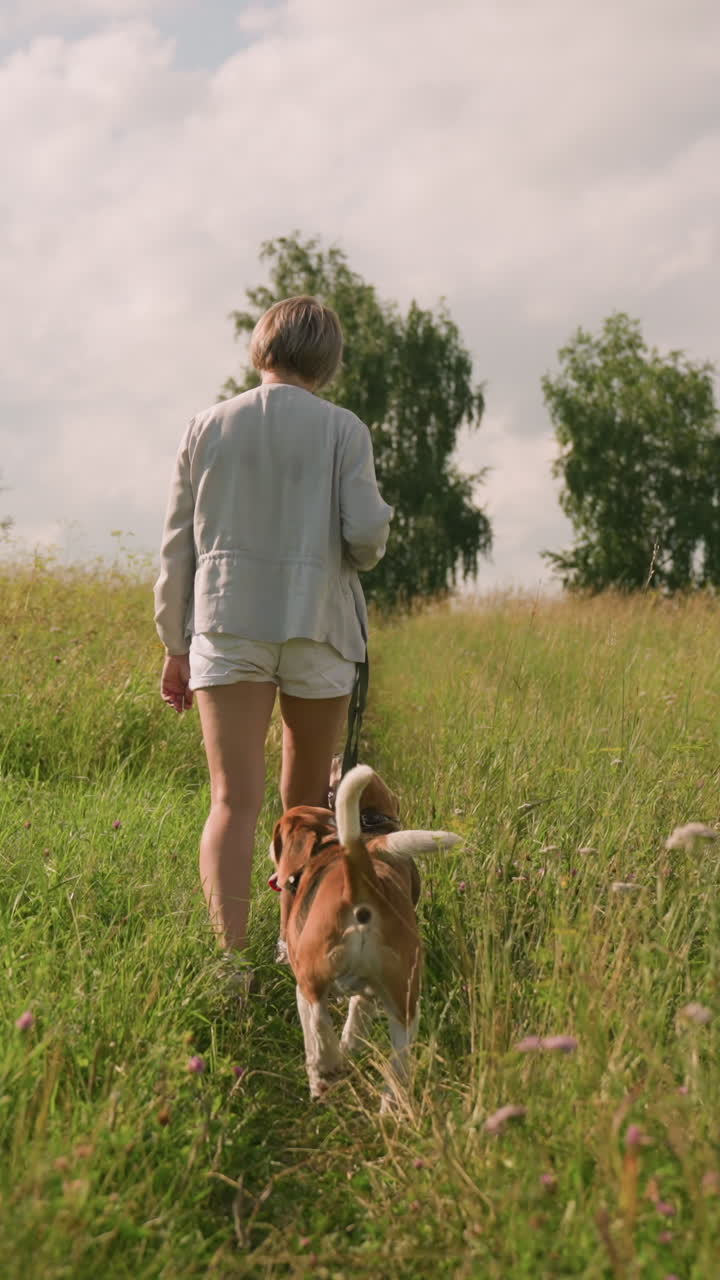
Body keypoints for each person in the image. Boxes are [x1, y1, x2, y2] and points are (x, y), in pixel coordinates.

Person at [153, 295, 393, 956]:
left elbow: (178, 547)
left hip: (229, 622)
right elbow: (367, 536)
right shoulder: (344, 429)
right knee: (306, 803)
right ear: (329, 360)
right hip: (318, 624)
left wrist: (175, 644)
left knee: (232, 803)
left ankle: (231, 964)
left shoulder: (208, 426)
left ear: (263, 346)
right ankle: (297, 944)